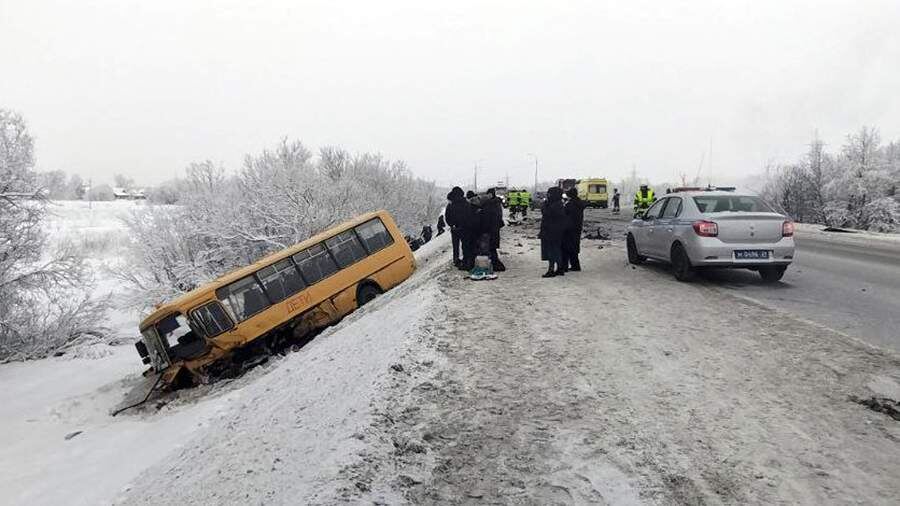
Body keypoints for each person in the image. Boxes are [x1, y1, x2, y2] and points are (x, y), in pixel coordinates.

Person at [539, 187, 567, 277]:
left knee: (551, 251)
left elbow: (547, 213)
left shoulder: (555, 205)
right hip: (554, 231)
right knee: (555, 250)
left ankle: (551, 270)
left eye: (549, 193)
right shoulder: (558, 203)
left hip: (551, 231)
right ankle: (559, 268)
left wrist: (544, 205)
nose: (548, 195)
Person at [479, 188, 506, 271]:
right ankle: (495, 265)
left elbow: (488, 218)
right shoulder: (496, 203)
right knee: (491, 248)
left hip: (490, 229)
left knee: (490, 248)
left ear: (490, 195)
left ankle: (496, 266)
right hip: (494, 229)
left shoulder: (490, 204)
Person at [444, 187, 471, 268]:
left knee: (455, 246)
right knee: (465, 245)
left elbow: (447, 216)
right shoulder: (466, 203)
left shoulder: (450, 204)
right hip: (464, 228)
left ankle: (456, 260)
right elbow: (469, 215)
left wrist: (452, 225)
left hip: (454, 229)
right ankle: (466, 260)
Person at [562, 187, 585, 272]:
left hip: (569, 228)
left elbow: (565, 215)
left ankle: (566, 266)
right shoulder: (579, 202)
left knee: (567, 247)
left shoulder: (570, 204)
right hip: (577, 227)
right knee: (574, 246)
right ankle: (575, 265)